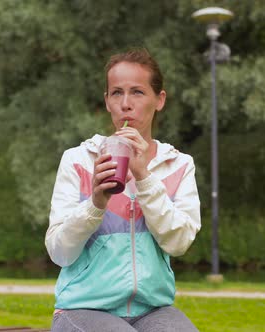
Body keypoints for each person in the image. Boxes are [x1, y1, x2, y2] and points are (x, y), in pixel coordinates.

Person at [46, 48, 201, 332]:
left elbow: (179, 243)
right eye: (116, 93)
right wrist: (94, 204)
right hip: (82, 309)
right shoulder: (79, 161)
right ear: (107, 102)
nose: (126, 104)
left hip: (153, 310)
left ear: (159, 100)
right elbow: (60, 252)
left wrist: (144, 177)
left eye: (138, 92)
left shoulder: (178, 165)